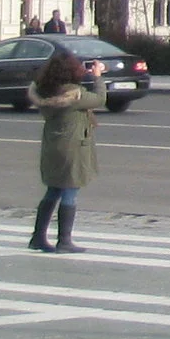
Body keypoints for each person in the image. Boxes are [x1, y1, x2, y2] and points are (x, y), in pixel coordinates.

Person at [28, 47, 105, 253]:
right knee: (70, 190)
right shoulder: (74, 94)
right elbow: (99, 99)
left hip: (53, 145)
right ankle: (64, 240)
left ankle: (38, 237)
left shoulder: (47, 91)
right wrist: (97, 77)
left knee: (53, 189)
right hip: (72, 147)